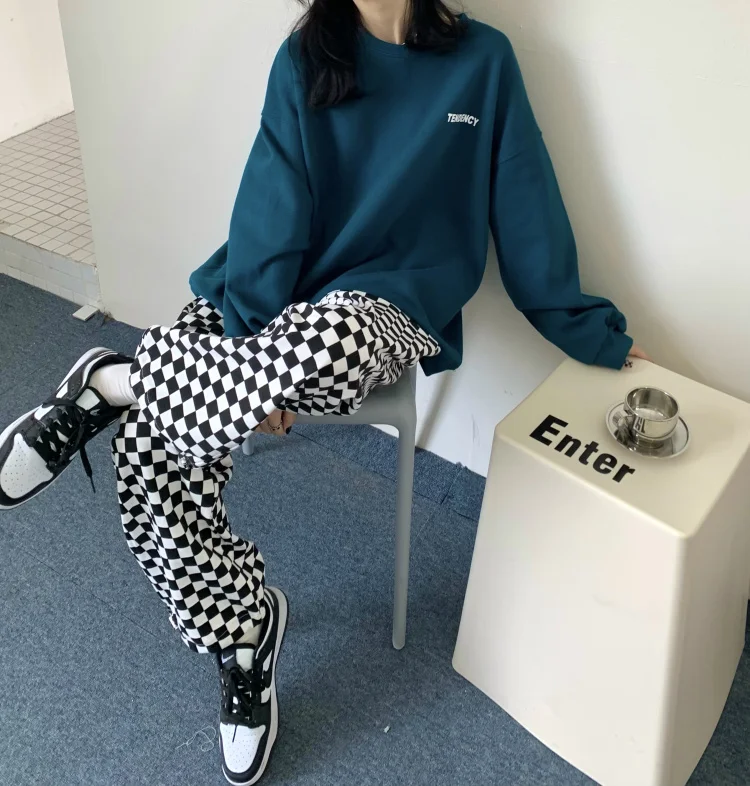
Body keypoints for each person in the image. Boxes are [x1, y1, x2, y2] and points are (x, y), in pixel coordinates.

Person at [0, 1, 649, 783]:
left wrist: (593, 334)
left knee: (328, 336)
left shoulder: (484, 62)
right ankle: (245, 631)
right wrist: (254, 359)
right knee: (148, 447)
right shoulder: (305, 62)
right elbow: (269, 217)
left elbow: (528, 214)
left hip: (385, 312)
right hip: (273, 304)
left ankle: (114, 380)